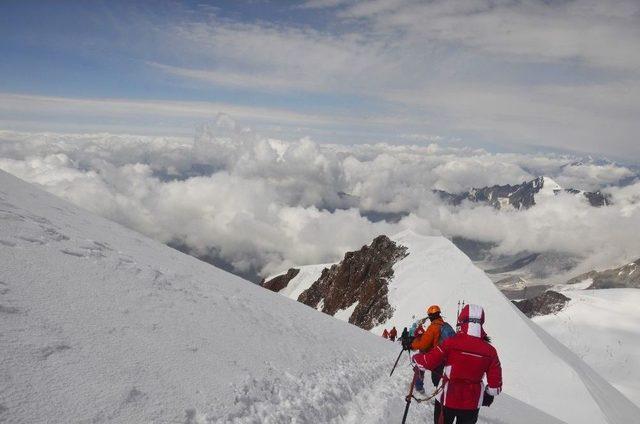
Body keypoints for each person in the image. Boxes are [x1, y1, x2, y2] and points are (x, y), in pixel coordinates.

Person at [412, 304, 502, 424]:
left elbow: (427, 362)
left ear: (461, 321)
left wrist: (416, 358)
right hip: (472, 404)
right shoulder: (490, 351)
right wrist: (488, 394)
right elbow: (495, 388)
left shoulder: (450, 343)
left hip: (447, 399)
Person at [410, 305, 445, 393]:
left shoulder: (433, 327)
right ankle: (441, 397)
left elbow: (423, 345)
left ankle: (419, 387)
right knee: (438, 379)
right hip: (443, 356)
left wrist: (412, 345)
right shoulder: (443, 325)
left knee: (419, 364)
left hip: (434, 355)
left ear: (431, 316)